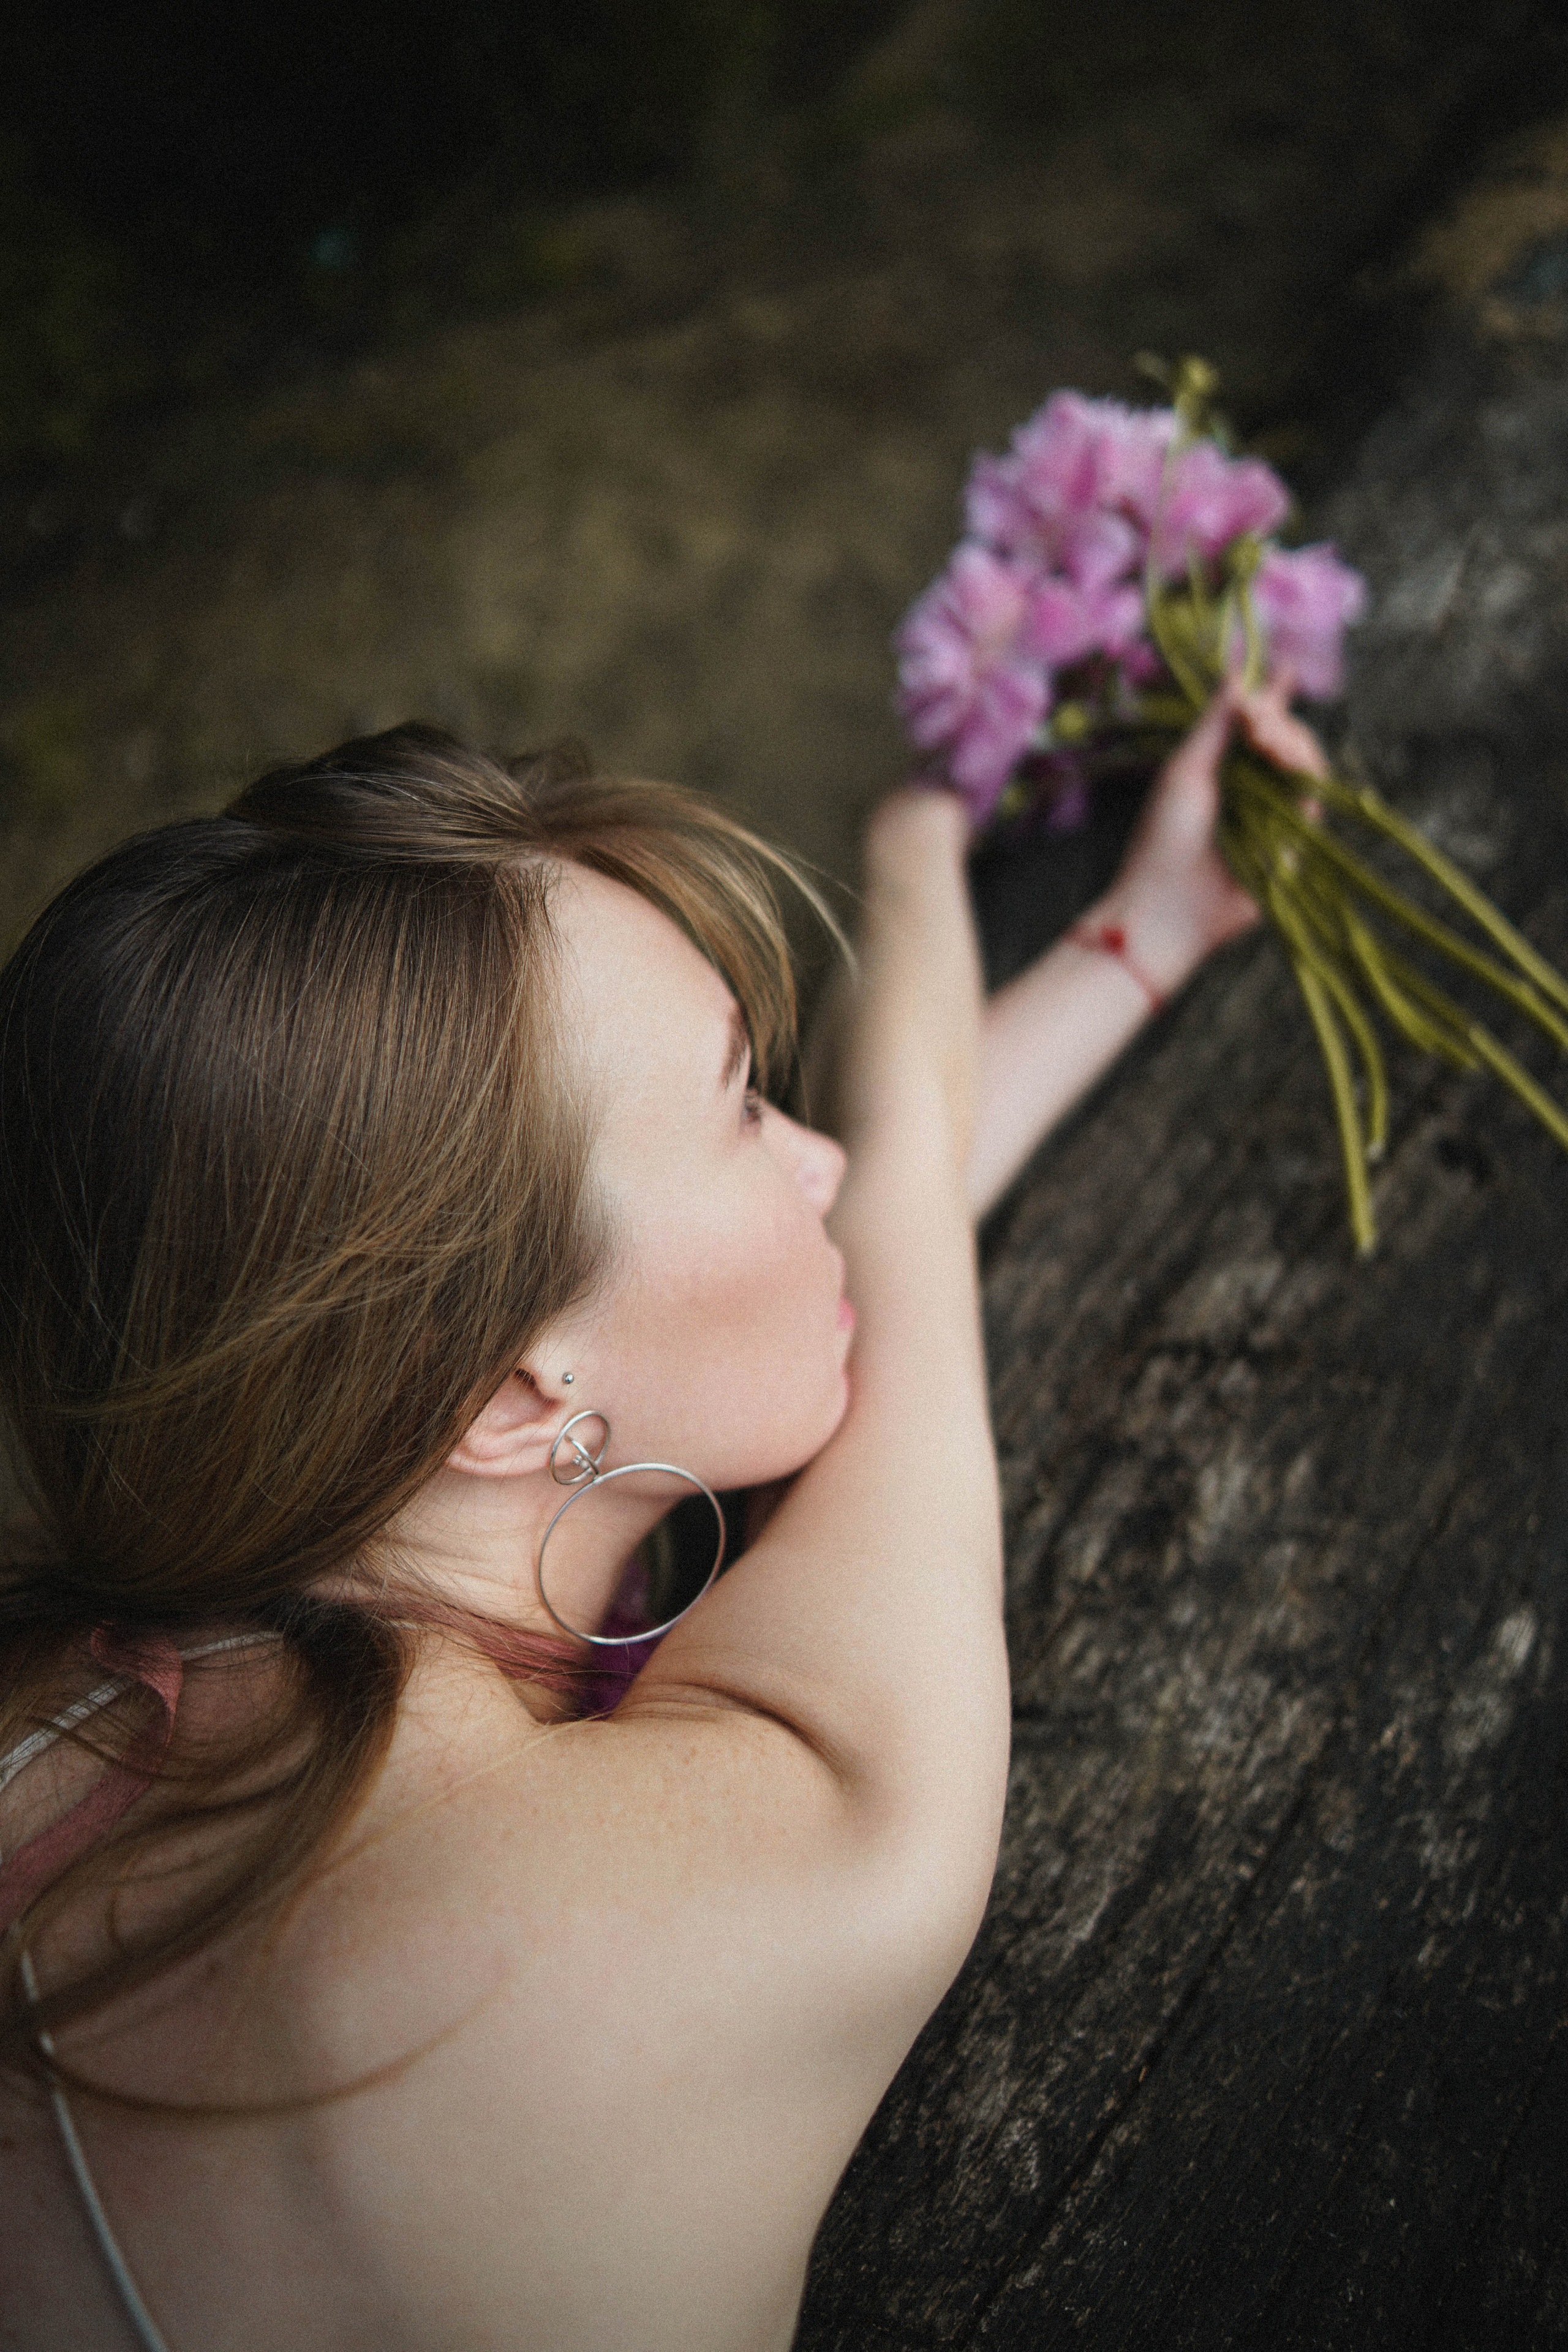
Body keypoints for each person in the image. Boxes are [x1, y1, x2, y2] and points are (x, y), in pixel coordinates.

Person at [0, 679, 1324, 2351]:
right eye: (747, 1102)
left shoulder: (89, 1678)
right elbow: (900, 1205)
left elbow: (783, 1271)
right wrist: (919, 833)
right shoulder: (742, 1868)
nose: (817, 1162)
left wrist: (1140, 932)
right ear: (503, 1398)